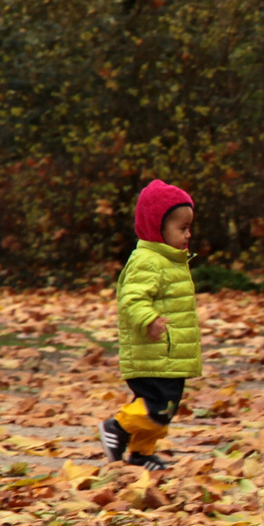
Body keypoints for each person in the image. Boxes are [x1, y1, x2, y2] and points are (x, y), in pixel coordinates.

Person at [99, 180, 201, 470]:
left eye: (188, 228)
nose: (188, 234)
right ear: (158, 227)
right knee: (156, 407)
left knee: (165, 410)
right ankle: (117, 426)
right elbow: (131, 299)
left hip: (167, 356)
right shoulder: (148, 261)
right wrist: (149, 320)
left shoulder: (169, 261)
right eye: (182, 228)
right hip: (152, 352)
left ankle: (141, 454)